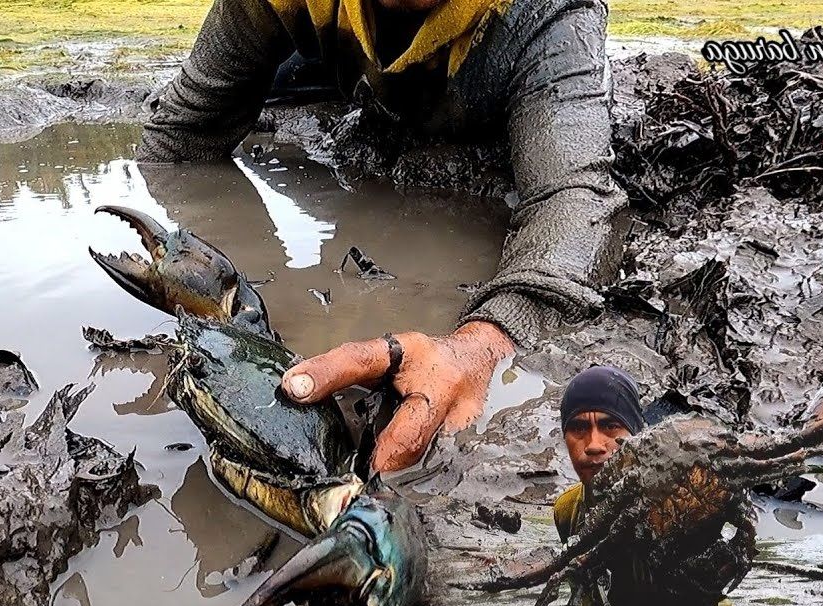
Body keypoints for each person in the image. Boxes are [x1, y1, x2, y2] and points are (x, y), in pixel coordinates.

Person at [138, 0, 630, 472]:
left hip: (503, 107)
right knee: (282, 90)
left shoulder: (552, 14)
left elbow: (577, 202)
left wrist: (482, 344)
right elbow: (179, 142)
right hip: (350, 92)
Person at [503, 366, 787, 606]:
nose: (593, 445)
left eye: (610, 426)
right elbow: (583, 576)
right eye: (578, 428)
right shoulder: (568, 510)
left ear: (635, 435)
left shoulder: (675, 502)